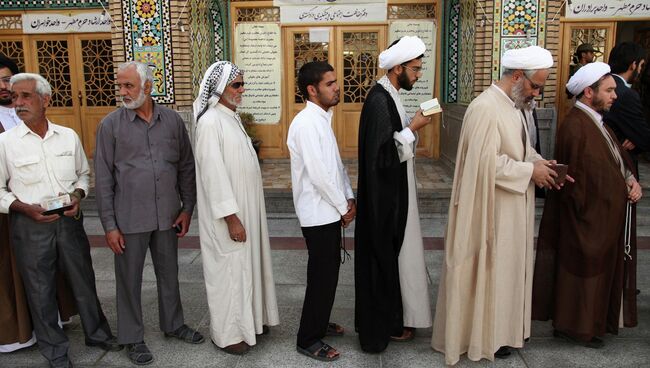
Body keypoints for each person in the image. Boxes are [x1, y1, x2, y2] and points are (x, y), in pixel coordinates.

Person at [432, 46, 560, 365]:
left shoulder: (514, 105)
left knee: (509, 272)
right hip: (491, 209)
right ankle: (487, 337)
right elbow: (484, 163)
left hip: (513, 206)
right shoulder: (485, 108)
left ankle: (504, 332)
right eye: (535, 86)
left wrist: (541, 163)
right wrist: (530, 171)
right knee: (493, 272)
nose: (536, 93)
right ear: (517, 77)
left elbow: (521, 150)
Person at [0, 73, 120, 368]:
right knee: (39, 289)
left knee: (83, 279)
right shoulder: (5, 143)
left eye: (26, 96)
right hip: (30, 225)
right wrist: (22, 208)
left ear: (46, 100)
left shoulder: (68, 136)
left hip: (69, 221)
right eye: (16, 97)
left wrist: (78, 195)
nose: (19, 103)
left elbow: (82, 174)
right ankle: (55, 350)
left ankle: (97, 333)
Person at [94, 61, 202, 365]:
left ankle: (173, 324)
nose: (123, 92)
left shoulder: (172, 122)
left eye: (129, 86)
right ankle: (132, 337)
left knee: (170, 273)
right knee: (128, 278)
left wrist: (187, 208)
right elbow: (103, 179)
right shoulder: (110, 126)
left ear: (149, 87)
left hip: (168, 214)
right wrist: (109, 226)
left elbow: (186, 166)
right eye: (120, 86)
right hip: (129, 218)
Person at [532, 62, 641, 348]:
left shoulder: (597, 121)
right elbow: (576, 181)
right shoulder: (576, 126)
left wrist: (630, 181)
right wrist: (605, 198)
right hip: (585, 218)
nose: (614, 96)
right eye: (609, 91)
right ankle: (575, 328)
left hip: (601, 216)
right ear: (589, 92)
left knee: (592, 276)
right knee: (580, 276)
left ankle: (589, 325)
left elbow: (614, 164)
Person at [193, 61, 279, 356]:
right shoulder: (209, 122)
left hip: (246, 211)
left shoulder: (231, 117)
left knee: (247, 267)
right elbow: (213, 175)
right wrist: (232, 218)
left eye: (242, 84)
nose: (242, 90)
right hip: (227, 216)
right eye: (236, 85)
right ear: (218, 89)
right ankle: (228, 334)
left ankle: (251, 322)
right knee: (229, 273)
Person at [354, 35, 433, 353]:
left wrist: (409, 128)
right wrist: (412, 128)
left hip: (398, 196)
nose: (418, 75)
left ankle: (398, 316)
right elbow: (381, 158)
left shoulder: (392, 96)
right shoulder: (379, 100)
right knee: (384, 260)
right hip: (385, 202)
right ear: (397, 67)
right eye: (414, 69)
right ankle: (385, 323)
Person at [287, 61, 355, 362]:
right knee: (321, 276)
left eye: (336, 81)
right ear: (312, 90)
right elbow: (318, 174)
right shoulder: (304, 124)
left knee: (330, 273)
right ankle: (308, 338)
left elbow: (335, 167)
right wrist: (343, 207)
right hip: (317, 213)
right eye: (330, 84)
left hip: (331, 210)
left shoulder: (322, 119)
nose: (337, 87)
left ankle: (320, 321)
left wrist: (349, 197)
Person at [604, 42, 650, 173]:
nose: (640, 70)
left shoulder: (600, 85)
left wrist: (635, 138)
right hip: (619, 163)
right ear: (633, 65)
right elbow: (645, 138)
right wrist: (637, 138)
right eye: (641, 65)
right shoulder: (626, 94)